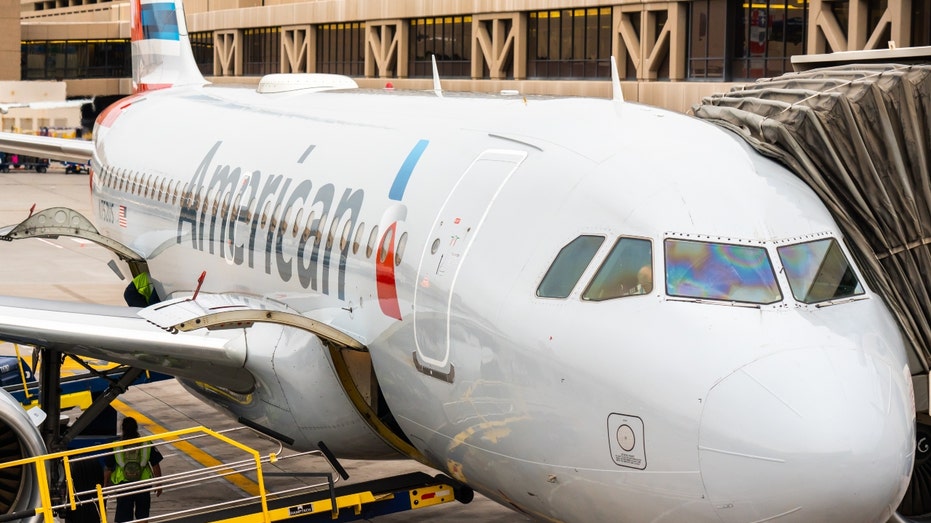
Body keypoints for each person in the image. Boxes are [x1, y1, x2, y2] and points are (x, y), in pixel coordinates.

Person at [104, 417, 163, 522]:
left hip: (124, 485)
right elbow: (155, 465)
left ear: (122, 429)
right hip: (142, 483)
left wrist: (105, 487)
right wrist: (159, 484)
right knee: (143, 515)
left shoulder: (115, 446)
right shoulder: (146, 443)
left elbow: (108, 469)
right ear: (136, 428)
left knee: (123, 516)